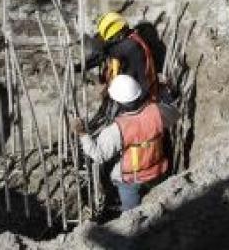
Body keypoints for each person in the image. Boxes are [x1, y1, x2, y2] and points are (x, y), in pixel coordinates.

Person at [72, 74, 178, 211]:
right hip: (157, 172)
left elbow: (98, 156)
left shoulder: (116, 129)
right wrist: (165, 94)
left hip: (131, 181)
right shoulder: (157, 111)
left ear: (117, 102)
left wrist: (82, 134)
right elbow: (175, 115)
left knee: (131, 219)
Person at [86, 11, 161, 102]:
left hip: (138, 96)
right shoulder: (132, 38)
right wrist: (80, 66)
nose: (109, 41)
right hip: (137, 89)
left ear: (119, 35)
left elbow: (105, 53)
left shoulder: (130, 47)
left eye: (111, 38)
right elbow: (102, 55)